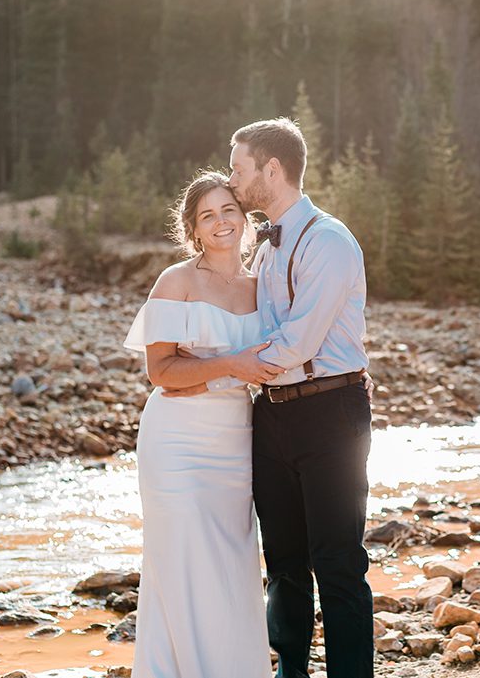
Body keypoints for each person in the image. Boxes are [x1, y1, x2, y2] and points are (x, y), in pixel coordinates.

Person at [160, 118, 374, 678]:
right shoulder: (267, 251)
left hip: (329, 413)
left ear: (271, 170)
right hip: (270, 416)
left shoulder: (327, 240)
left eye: (238, 167)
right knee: (282, 562)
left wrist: (221, 366)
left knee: (339, 562)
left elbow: (297, 342)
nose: (232, 180)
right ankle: (292, 672)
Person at [122, 171, 281, 678]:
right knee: (185, 558)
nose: (220, 222)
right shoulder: (177, 281)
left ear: (245, 216)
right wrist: (232, 364)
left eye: (228, 210)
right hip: (177, 442)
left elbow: (291, 349)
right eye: (207, 215)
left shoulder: (264, 285)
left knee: (232, 562)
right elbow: (162, 372)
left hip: (236, 439)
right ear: (192, 228)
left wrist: (353, 371)